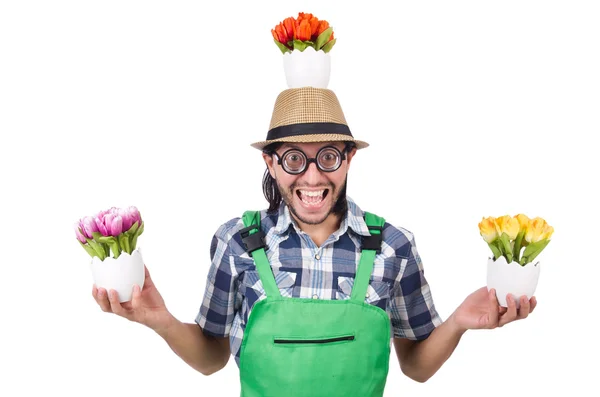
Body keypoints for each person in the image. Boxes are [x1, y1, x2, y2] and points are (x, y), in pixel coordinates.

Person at [92, 87, 537, 396]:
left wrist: (458, 321)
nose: (311, 176)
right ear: (270, 162)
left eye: (327, 156)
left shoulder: (392, 246)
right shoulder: (237, 242)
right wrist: (161, 321)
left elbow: (416, 369)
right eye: (293, 159)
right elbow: (211, 358)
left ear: (348, 159)